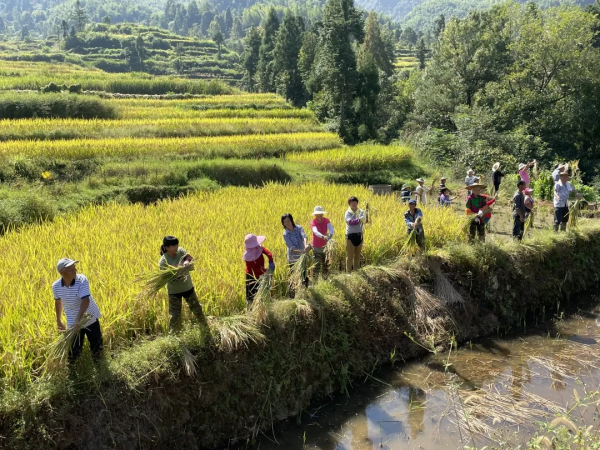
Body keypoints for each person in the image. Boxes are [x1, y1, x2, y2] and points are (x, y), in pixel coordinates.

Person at [52, 258, 103, 365]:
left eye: (74, 267)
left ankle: (100, 369)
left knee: (97, 346)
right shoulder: (56, 286)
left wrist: (77, 321)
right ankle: (74, 373)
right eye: (71, 269)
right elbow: (58, 302)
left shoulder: (82, 279)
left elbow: (85, 300)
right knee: (74, 351)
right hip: (72, 321)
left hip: (90, 317)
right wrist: (58, 320)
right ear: (62, 272)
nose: (75, 270)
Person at [159, 236, 207, 332]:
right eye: (173, 245)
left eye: (177, 244)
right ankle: (173, 336)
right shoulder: (163, 261)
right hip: (174, 291)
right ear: (167, 247)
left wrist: (186, 262)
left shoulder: (180, 251)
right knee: (175, 315)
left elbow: (189, 257)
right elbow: (168, 277)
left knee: (197, 309)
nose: (176, 247)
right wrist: (179, 271)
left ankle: (205, 328)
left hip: (187, 288)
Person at [282, 213, 310, 295]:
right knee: (293, 276)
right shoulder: (285, 234)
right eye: (284, 222)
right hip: (293, 257)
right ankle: (293, 295)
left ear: (291, 220)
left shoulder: (299, 228)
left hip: (302, 256)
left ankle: (305, 292)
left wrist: (306, 245)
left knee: (304, 274)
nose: (287, 223)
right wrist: (302, 251)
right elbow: (291, 247)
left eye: (288, 221)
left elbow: (304, 236)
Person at [244, 234, 275, 303]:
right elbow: (254, 268)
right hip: (252, 277)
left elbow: (268, 253)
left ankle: (264, 309)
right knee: (252, 296)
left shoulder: (258, 247)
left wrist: (271, 261)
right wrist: (265, 270)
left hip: (261, 275)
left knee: (264, 294)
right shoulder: (248, 256)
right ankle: (252, 310)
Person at [345, 196, 368, 274]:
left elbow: (366, 221)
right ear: (349, 204)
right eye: (351, 202)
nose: (353, 204)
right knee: (350, 256)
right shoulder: (347, 212)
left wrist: (367, 215)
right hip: (351, 236)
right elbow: (351, 222)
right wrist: (360, 219)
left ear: (357, 203)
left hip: (359, 235)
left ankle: (356, 271)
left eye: (355, 202)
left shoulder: (361, 211)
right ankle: (348, 272)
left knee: (357, 256)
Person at [311, 206, 334, 279]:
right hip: (316, 246)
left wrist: (330, 234)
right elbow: (315, 231)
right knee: (317, 264)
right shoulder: (313, 222)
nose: (320, 215)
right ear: (315, 215)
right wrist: (323, 236)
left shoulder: (326, 220)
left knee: (326, 262)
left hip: (325, 246)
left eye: (321, 213)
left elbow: (330, 228)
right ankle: (315, 280)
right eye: (318, 214)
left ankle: (325, 278)